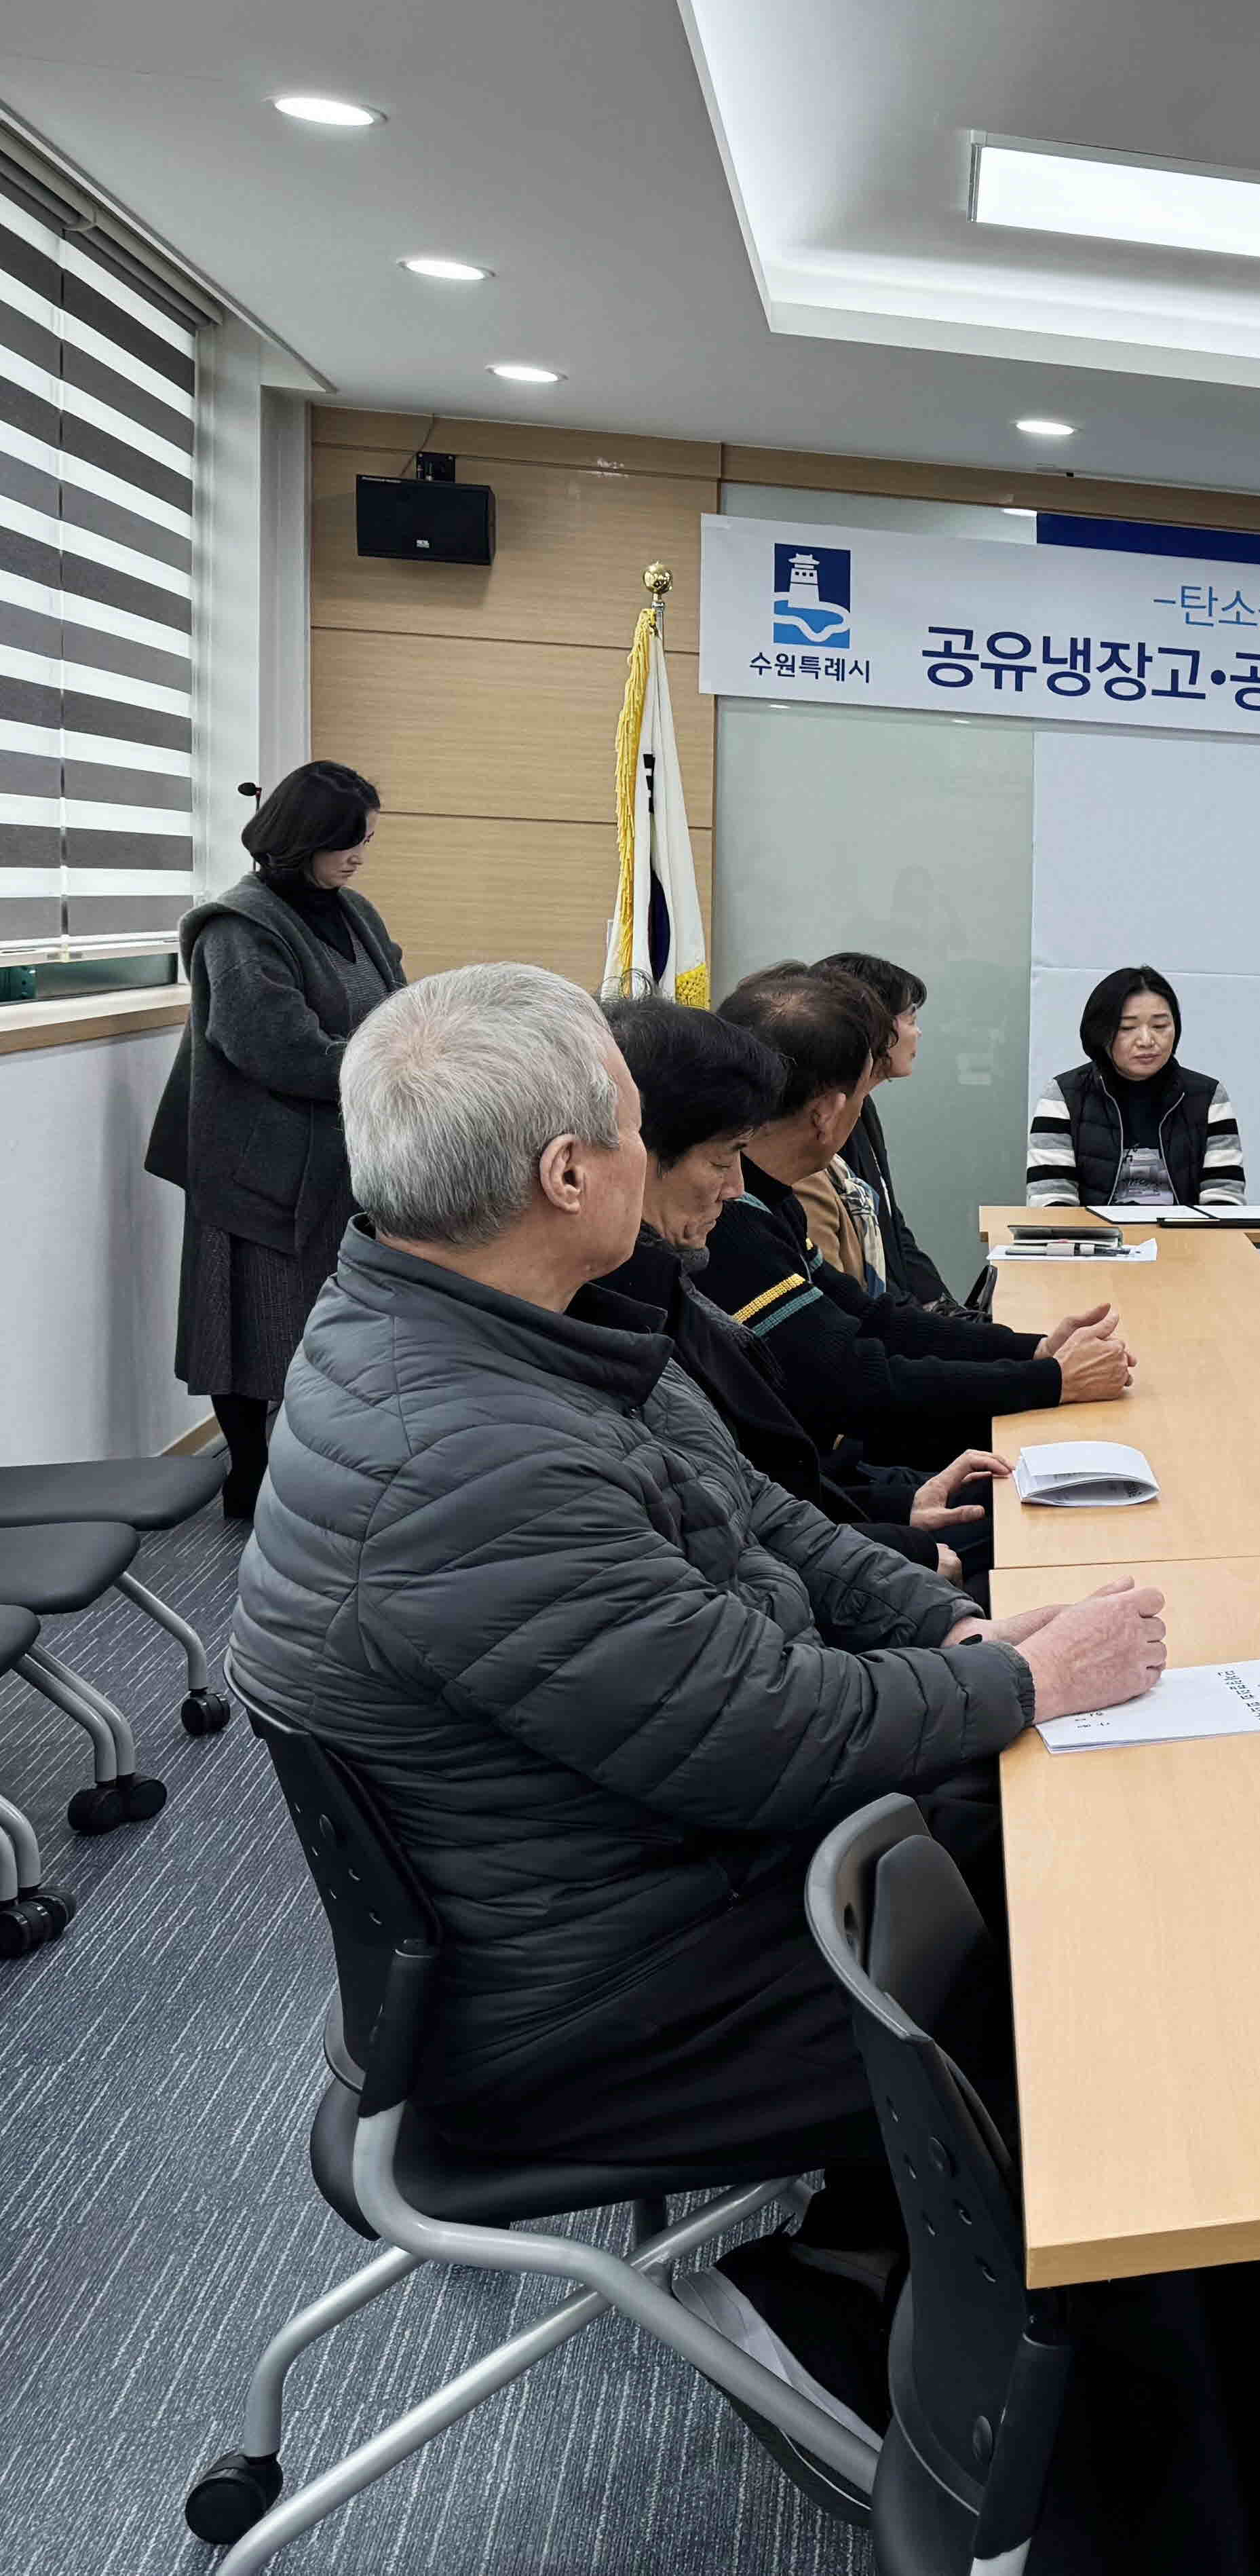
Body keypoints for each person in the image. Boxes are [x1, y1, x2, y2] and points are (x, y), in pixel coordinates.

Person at [229, 965, 1164, 2469]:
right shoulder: (469, 1449)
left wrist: (961, 1627)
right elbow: (764, 1732)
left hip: (615, 1888)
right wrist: (1029, 1682)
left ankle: (865, 2262)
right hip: (593, 2005)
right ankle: (921, 2358)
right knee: (1082, 1975)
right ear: (570, 1170)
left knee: (1045, 1843)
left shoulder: (518, 1318)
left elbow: (769, 1527)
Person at [599, 998, 1005, 1589]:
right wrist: (905, 1547)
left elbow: (755, 1495)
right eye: (721, 1159)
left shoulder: (666, 1282)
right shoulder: (633, 1312)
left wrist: (898, 1514)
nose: (736, 1188)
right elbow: (724, 1559)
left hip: (832, 1525)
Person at [704, 964, 1134, 1469]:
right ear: (826, 1112)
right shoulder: (732, 1222)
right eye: (862, 1095)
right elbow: (851, 1381)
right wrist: (1054, 1380)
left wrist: (1035, 1351)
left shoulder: (770, 1199)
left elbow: (870, 1318)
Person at [146, 763, 406, 1519]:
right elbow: (275, 1047)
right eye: (347, 841)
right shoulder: (237, 924)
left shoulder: (350, 908)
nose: (360, 854)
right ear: (303, 839)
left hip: (337, 1146)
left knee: (319, 1317)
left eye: (366, 838)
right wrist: (389, 1068)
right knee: (250, 1321)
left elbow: (391, 1003)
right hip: (256, 1156)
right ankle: (249, 1479)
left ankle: (312, 1470)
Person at [1025, 966, 1248, 1213]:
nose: (1146, 1040)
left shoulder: (1208, 1097)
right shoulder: (1064, 1095)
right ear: (1101, 1032)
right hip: (1095, 1246)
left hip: (1189, 1245)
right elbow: (1051, 1201)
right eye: (1127, 1028)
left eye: (1160, 1026)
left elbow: (1225, 1198)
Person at [812, 949, 959, 1305]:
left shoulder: (863, 1107)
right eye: (910, 1019)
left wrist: (945, 1307)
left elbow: (892, 1233)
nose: (918, 1032)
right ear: (875, 1027)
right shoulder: (824, 1123)